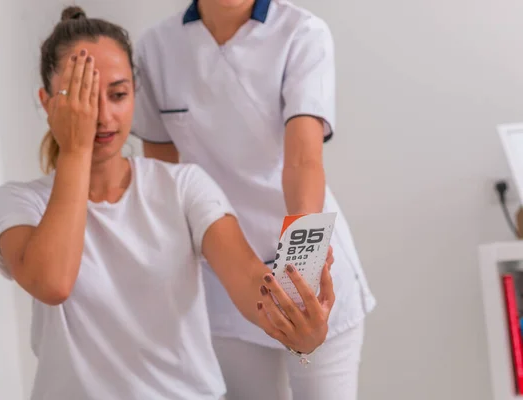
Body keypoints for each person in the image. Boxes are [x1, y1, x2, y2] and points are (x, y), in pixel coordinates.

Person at [0, 6, 336, 400]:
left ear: (135, 95)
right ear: (47, 102)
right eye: (80, 98)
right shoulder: (17, 203)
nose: (100, 116)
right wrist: (75, 151)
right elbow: (52, 282)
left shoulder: (184, 186)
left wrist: (298, 323)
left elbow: (251, 283)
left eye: (117, 94)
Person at [131, 1, 377, 399]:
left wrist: (301, 280)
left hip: (310, 269)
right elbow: (163, 185)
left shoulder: (302, 32)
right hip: (224, 282)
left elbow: (302, 162)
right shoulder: (156, 48)